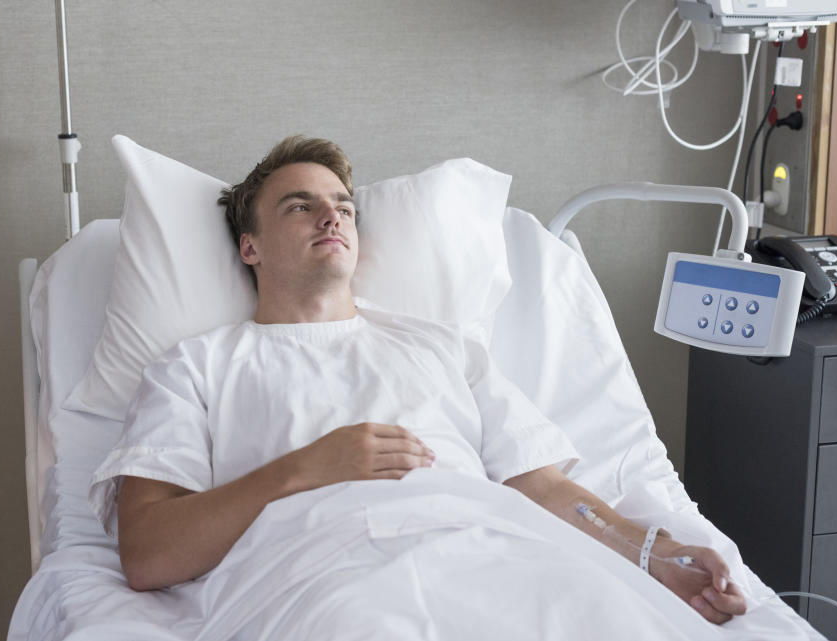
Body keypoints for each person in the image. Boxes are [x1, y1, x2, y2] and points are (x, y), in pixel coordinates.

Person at [91, 135, 747, 628]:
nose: (333, 217)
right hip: (330, 581)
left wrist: (651, 552)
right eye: (301, 206)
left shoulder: (443, 347)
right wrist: (305, 469)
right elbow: (147, 552)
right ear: (250, 247)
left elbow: (544, 486)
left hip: (497, 555)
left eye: (343, 206)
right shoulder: (197, 368)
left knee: (611, 615)